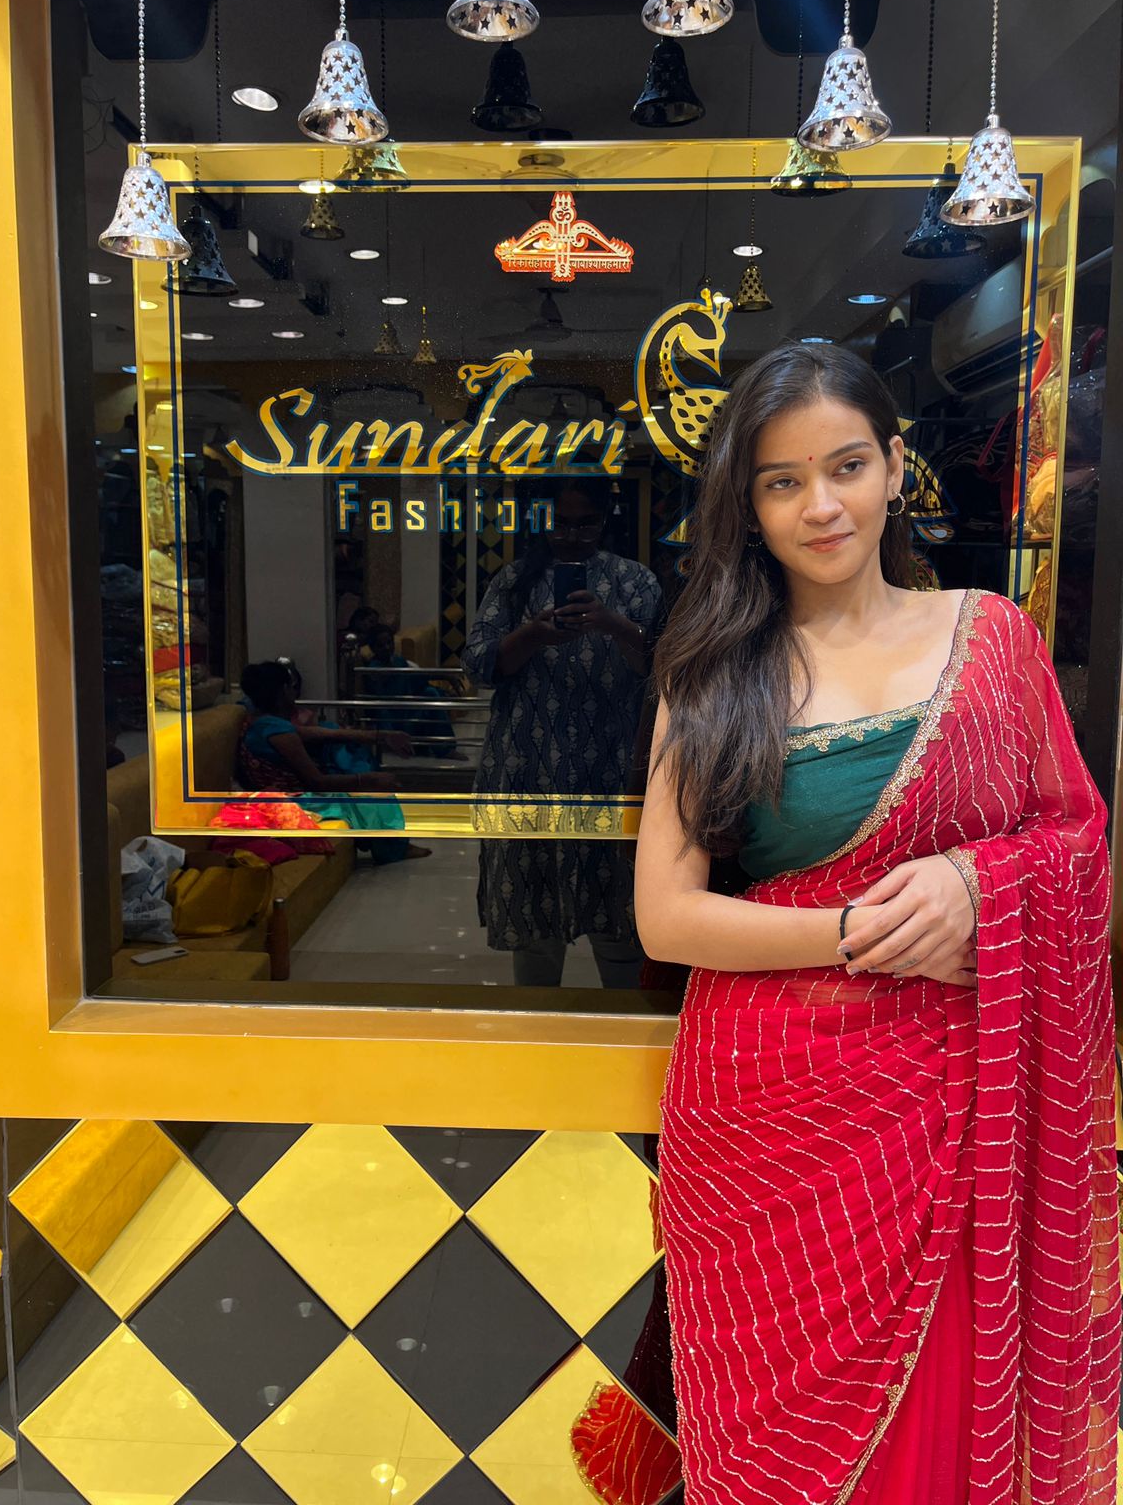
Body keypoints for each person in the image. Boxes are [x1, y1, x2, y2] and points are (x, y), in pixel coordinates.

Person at [635, 342, 1119, 1505]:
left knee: (941, 1436)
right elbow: (666, 915)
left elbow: (1078, 845)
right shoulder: (713, 674)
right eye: (782, 481)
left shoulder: (993, 638)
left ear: (897, 468)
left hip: (961, 1111)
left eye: (846, 465)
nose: (822, 504)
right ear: (747, 507)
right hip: (770, 1127)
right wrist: (862, 928)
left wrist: (978, 887)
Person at [464, 479, 662, 988]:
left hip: (610, 770)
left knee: (618, 910)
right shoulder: (513, 581)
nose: (572, 535)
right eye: (561, 522)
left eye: (585, 522)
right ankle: (536, 1029)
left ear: (604, 522)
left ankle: (620, 1033)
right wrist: (532, 633)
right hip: (527, 768)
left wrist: (612, 624)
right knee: (532, 916)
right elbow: (479, 665)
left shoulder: (634, 581)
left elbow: (664, 668)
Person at [237, 660, 429, 864]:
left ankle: (387, 842)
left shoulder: (260, 721)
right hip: (295, 800)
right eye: (292, 687)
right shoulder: (277, 731)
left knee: (339, 745)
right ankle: (393, 849)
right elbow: (316, 782)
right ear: (283, 691)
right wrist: (368, 780)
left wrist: (379, 736)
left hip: (284, 794)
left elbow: (320, 733)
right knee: (372, 791)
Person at [359, 624, 459, 757]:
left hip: (409, 715)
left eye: (389, 643)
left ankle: (445, 747)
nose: (387, 648)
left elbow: (418, 680)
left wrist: (445, 680)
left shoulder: (399, 661)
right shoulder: (374, 670)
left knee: (431, 693)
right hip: (393, 723)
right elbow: (381, 709)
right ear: (373, 648)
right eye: (381, 645)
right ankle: (442, 749)